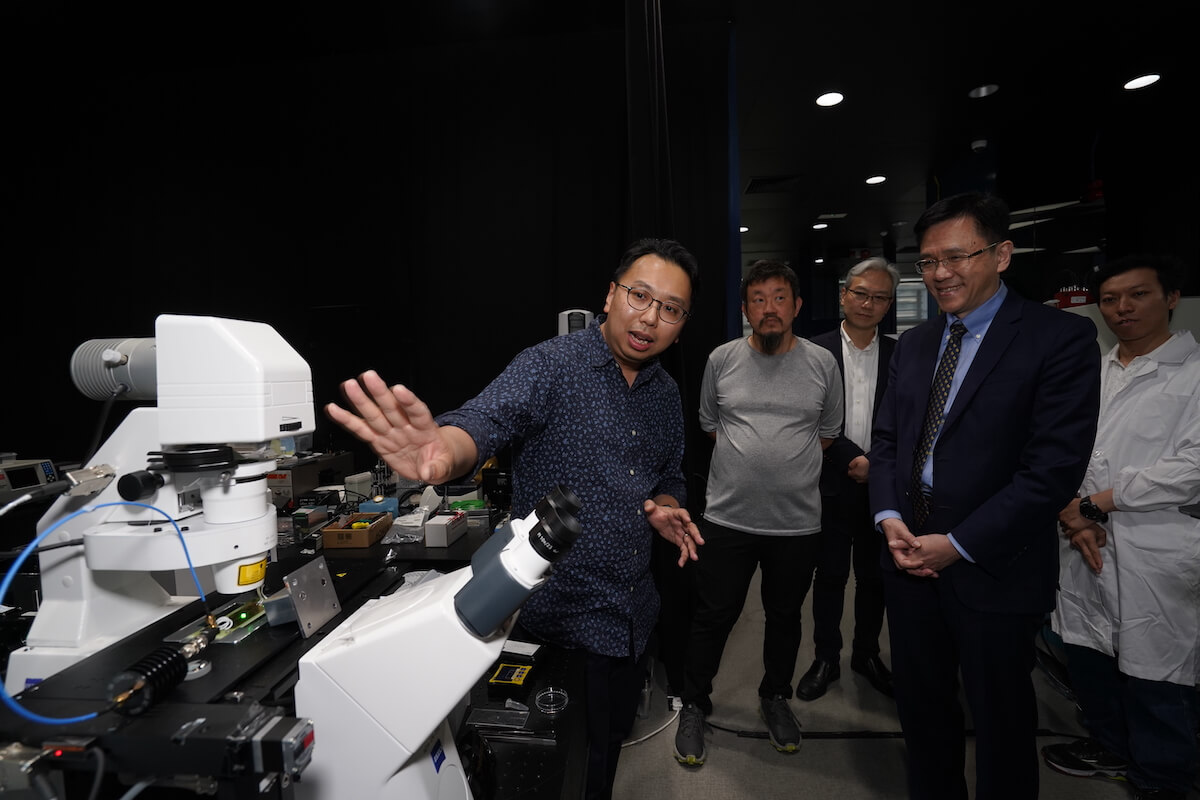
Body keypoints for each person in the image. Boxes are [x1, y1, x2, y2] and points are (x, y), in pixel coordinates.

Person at [325, 238, 705, 800]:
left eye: (670, 308)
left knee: (606, 757)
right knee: (561, 774)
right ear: (609, 294)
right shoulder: (551, 366)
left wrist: (665, 508)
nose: (651, 317)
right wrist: (442, 453)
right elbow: (481, 421)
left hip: (633, 620)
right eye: (639, 295)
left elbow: (670, 475)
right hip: (559, 626)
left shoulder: (666, 393)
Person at [868, 191, 1101, 799]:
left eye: (956, 257)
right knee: (923, 710)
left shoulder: (1060, 340)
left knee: (1001, 721)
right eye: (927, 262)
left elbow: (1050, 471)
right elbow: (887, 440)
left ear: (1001, 254)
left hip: (996, 565)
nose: (940, 273)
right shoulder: (915, 344)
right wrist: (889, 514)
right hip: (908, 555)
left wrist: (959, 543)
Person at [1042, 254, 1200, 800]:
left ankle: (1165, 779)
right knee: (1090, 655)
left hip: (1155, 545)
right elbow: (1060, 445)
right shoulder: (1094, 369)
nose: (1123, 309)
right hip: (1081, 537)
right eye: (1110, 299)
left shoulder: (1195, 373)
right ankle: (1110, 747)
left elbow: (1193, 467)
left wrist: (1098, 503)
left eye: (1138, 295)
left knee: (1158, 673)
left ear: (1171, 297)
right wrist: (1074, 509)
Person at [673, 259, 843, 766]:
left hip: (797, 524)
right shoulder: (721, 359)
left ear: (796, 306)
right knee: (712, 616)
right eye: (758, 299)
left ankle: (775, 696)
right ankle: (694, 705)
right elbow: (709, 422)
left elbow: (829, 431)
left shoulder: (821, 364)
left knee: (786, 617)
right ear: (745, 308)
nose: (769, 308)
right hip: (726, 519)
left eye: (779, 297)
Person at [798, 257, 899, 702]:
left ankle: (866, 652)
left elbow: (912, 420)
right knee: (831, 576)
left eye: (879, 297)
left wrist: (877, 463)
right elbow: (806, 416)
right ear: (844, 294)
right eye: (860, 293)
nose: (867, 303)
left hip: (885, 485)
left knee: (875, 577)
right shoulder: (812, 351)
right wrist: (849, 458)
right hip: (830, 483)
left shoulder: (903, 354)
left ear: (889, 304)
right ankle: (826, 657)